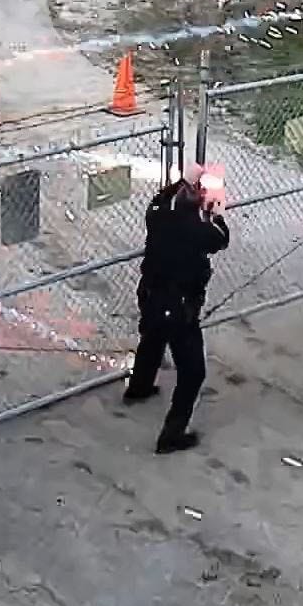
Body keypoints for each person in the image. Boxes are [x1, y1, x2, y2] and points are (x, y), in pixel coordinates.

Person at [123, 162, 230, 454]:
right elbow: (222, 239)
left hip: (150, 293)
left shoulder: (158, 213)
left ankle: (139, 388)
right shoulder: (197, 230)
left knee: (152, 339)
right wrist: (215, 213)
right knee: (193, 371)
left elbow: (160, 199)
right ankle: (172, 435)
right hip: (178, 306)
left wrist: (183, 182)